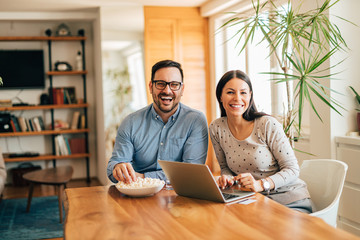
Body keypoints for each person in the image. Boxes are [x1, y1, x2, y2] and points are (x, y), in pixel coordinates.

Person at [209, 70, 312, 213]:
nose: (237, 98)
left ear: (250, 96)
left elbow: (292, 169)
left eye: (243, 93)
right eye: (230, 92)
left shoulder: (267, 124)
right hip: (252, 200)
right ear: (220, 96)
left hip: (289, 200)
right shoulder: (216, 128)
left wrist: (262, 184)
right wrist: (226, 178)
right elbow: (225, 168)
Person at [107, 60, 208, 183]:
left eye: (174, 84)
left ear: (182, 89)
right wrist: (118, 168)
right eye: (160, 84)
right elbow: (113, 167)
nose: (167, 90)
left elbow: (192, 173)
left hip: (179, 195)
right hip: (138, 195)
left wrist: (143, 178)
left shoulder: (195, 121)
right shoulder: (130, 122)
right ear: (151, 87)